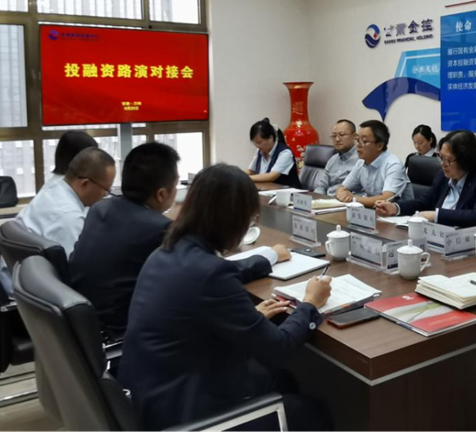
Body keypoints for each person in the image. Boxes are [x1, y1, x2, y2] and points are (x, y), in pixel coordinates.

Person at [119, 164, 333, 431]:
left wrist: (248, 318)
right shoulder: (211, 274)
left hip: (149, 396)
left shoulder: (166, 251)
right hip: (185, 413)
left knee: (281, 380)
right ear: (234, 219)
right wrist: (311, 303)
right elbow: (279, 349)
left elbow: (199, 307)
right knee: (313, 412)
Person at [69, 142, 182, 339]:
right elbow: (192, 280)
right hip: (122, 333)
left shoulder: (100, 209)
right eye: (175, 185)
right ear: (162, 194)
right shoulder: (160, 229)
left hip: (81, 323)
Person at [0, 147, 116, 294]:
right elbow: (79, 275)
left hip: (16, 279)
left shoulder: (54, 188)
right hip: (27, 294)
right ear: (85, 184)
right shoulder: (68, 217)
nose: (106, 195)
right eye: (106, 189)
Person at [375, 130, 476, 228]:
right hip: (439, 235)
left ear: (465, 160)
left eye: (448, 160)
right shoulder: (443, 176)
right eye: (441, 158)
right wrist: (395, 207)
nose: (443, 164)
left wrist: (436, 215)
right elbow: (425, 202)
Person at [335, 120, 410, 207]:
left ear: (379, 146)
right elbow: (342, 187)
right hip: (372, 212)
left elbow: (387, 199)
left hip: (400, 213)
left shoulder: (393, 165)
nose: (358, 145)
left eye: (364, 141)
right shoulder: (360, 163)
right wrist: (342, 193)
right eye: (357, 140)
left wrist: (353, 198)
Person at [248, 118, 301, 188]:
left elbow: (272, 176)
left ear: (270, 138)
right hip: (267, 190)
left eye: (259, 142)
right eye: (254, 143)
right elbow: (251, 171)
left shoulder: (285, 153)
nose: (257, 146)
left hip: (287, 192)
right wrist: (237, 176)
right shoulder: (260, 151)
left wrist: (247, 178)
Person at [314, 119, 359, 196]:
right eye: (334, 136)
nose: (337, 139)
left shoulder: (362, 159)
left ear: (354, 136)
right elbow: (321, 186)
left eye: (342, 135)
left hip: (348, 201)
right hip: (327, 200)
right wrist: (315, 199)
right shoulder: (332, 160)